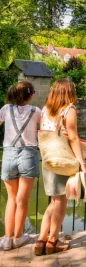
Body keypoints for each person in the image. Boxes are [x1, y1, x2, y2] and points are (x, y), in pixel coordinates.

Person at [34, 79, 86, 256]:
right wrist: (81, 162)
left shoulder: (45, 110)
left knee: (54, 201)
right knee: (61, 201)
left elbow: (46, 134)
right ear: (69, 92)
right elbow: (73, 137)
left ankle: (41, 240)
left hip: (48, 160)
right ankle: (52, 241)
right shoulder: (69, 109)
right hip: (62, 160)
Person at [0, 81, 41, 251]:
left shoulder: (5, 109)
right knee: (22, 200)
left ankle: (7, 239)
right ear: (30, 95)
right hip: (28, 155)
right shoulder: (36, 111)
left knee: (11, 199)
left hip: (8, 154)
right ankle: (18, 237)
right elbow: (46, 131)